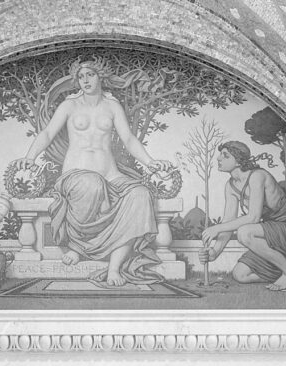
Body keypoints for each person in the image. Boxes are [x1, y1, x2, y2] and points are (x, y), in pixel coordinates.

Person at [17, 57, 174, 286]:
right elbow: (48, 133)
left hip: (111, 174)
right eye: (81, 76)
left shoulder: (112, 106)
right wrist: (30, 157)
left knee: (140, 194)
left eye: (90, 75)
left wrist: (150, 162)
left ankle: (114, 268)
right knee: (92, 183)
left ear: (101, 76)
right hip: (76, 175)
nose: (85, 80)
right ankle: (77, 247)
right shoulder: (70, 105)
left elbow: (129, 139)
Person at [200, 140, 286, 291]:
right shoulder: (230, 186)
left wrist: (217, 228)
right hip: (270, 233)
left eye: (225, 155)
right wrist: (215, 251)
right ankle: (284, 270)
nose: (219, 158)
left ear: (238, 160)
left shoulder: (257, 176)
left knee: (244, 232)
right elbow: (229, 222)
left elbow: (253, 217)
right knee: (240, 275)